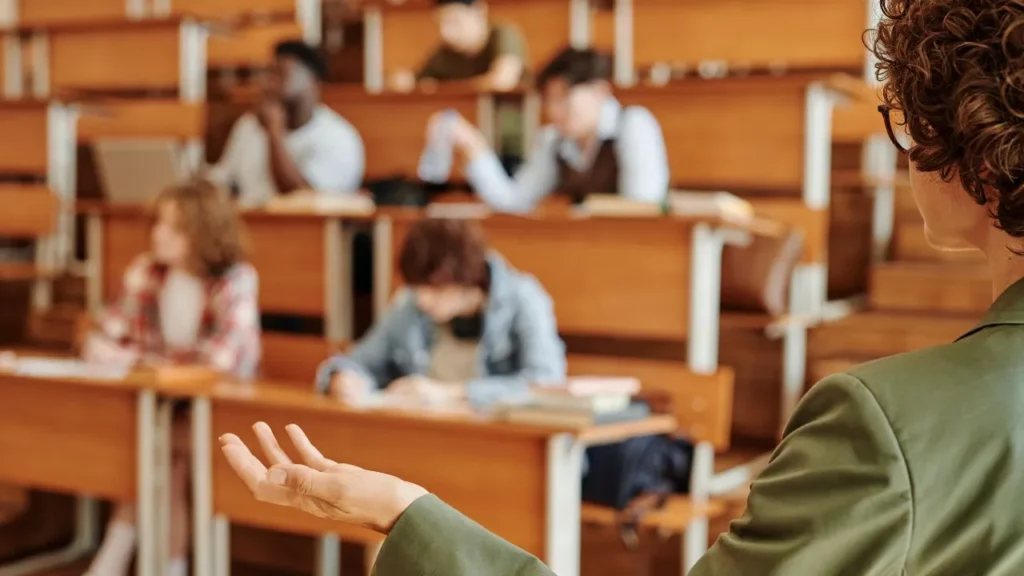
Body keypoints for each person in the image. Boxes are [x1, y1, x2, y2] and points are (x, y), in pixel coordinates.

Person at [229, 2, 1024, 574]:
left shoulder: (883, 424)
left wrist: (399, 512)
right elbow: (513, 201)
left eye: (912, 127)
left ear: (979, 159)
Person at [83, 180, 261, 576]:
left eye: (173, 226)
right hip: (161, 402)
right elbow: (106, 335)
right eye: (159, 222)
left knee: (161, 449)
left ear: (203, 232)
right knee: (153, 448)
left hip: (220, 408)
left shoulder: (237, 278)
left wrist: (144, 360)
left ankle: (118, 558)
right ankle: (166, 567)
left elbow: (221, 361)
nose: (157, 233)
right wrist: (148, 361)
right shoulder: (146, 269)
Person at [316, 218, 565, 408]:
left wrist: (451, 393)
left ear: (467, 277)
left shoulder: (524, 299)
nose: (424, 300)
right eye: (418, 288)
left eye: (435, 289)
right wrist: (343, 378)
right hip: (427, 438)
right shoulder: (410, 303)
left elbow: (546, 384)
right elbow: (360, 361)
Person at [426, 47, 669, 213]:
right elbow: (515, 201)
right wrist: (474, 147)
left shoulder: (634, 125)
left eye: (562, 99)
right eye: (548, 101)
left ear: (599, 92)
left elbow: (643, 207)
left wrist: (580, 210)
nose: (553, 111)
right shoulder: (552, 140)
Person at [208, 40, 365, 208]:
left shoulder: (339, 138)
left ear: (312, 81)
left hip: (300, 232)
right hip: (247, 225)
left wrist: (274, 132)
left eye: (280, 75)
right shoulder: (248, 125)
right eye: (268, 75)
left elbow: (301, 200)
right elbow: (224, 180)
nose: (267, 84)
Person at [389, 0, 526, 93]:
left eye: (454, 21)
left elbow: (502, 82)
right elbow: (415, 82)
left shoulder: (503, 34)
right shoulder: (444, 52)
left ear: (478, 11)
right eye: (440, 23)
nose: (445, 32)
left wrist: (440, 89)